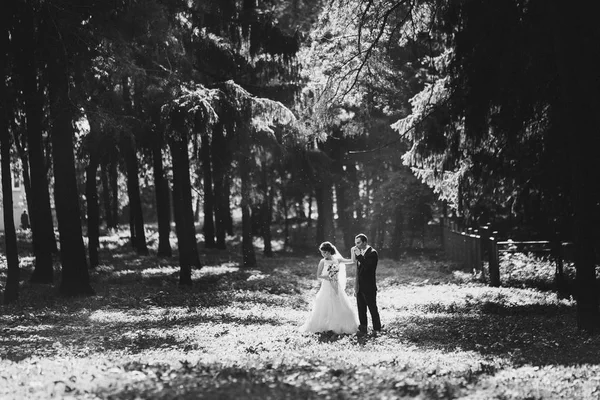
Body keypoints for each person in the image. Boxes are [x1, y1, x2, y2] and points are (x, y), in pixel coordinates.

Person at [300, 241, 359, 334]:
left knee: (339, 302)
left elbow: (352, 261)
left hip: (336, 284)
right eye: (322, 252)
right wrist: (327, 277)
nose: (323, 254)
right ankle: (326, 326)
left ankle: (340, 325)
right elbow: (318, 275)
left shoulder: (338, 260)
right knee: (325, 303)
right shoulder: (322, 261)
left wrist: (352, 251)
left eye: (325, 252)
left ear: (330, 251)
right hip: (327, 285)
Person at [352, 234, 382, 334]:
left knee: (373, 309)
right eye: (355, 243)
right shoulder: (359, 253)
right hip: (360, 286)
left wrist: (359, 256)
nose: (356, 245)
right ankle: (363, 329)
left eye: (358, 243)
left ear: (365, 242)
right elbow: (358, 270)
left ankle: (377, 329)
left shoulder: (373, 253)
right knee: (361, 309)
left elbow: (368, 267)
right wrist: (356, 286)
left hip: (369, 286)